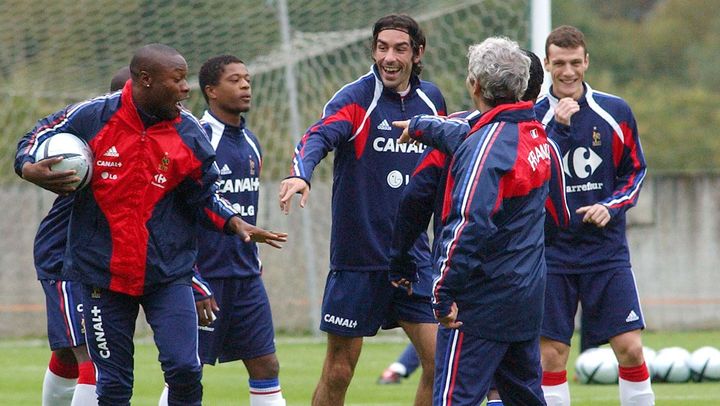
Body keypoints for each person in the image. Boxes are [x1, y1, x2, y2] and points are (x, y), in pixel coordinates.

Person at [16, 43, 286, 406]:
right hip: (102, 276)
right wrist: (28, 166)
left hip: (167, 275)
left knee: (186, 370)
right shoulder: (94, 115)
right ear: (145, 81)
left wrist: (234, 222)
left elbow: (203, 196)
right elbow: (36, 136)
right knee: (112, 385)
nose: (186, 88)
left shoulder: (189, 133)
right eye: (177, 80)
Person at [278, 14, 446, 406]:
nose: (389, 57)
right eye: (382, 47)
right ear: (373, 50)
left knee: (440, 363)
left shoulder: (431, 100)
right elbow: (318, 135)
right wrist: (301, 172)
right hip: (358, 259)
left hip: (412, 259)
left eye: (400, 48)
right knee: (338, 372)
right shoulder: (355, 98)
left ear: (417, 53)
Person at [392, 47, 568, 405]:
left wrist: (442, 294)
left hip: (479, 302)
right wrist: (421, 125)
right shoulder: (539, 137)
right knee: (524, 396)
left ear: (474, 85)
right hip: (525, 297)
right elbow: (558, 220)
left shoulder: (485, 147)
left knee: (455, 398)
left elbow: (468, 225)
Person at [534, 25, 653, 406]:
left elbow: (635, 171)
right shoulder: (533, 119)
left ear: (586, 62)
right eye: (559, 64)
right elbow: (526, 173)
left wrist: (611, 206)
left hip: (606, 252)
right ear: (547, 65)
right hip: (551, 253)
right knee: (551, 355)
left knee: (630, 348)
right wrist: (558, 127)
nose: (567, 72)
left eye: (574, 62)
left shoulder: (614, 111)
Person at [159, 54, 287, 406]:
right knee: (187, 370)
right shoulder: (196, 137)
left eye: (247, 78)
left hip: (245, 275)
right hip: (204, 276)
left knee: (265, 364)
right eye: (235, 79)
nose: (246, 85)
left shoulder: (251, 142)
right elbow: (178, 211)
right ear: (211, 90)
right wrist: (192, 277)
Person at [35, 66, 131, 406]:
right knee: (93, 352)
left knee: (67, 351)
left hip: (96, 257)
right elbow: (42, 147)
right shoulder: (89, 138)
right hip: (66, 257)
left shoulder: (150, 138)